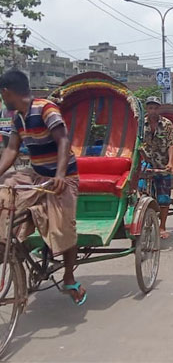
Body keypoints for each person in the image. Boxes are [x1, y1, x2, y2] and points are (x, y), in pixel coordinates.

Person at [0, 69, 85, 305]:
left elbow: (64, 142)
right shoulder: (18, 117)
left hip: (62, 178)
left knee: (62, 229)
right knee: (5, 193)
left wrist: (59, 175)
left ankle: (68, 276)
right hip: (36, 175)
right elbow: (11, 149)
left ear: (6, 92)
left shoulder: (46, 109)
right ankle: (10, 248)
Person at [141, 96, 173, 239]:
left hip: (162, 163)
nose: (153, 111)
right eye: (150, 108)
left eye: (155, 108)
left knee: (163, 197)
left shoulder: (167, 124)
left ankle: (162, 226)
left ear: (159, 109)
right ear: (147, 109)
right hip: (145, 162)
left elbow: (171, 143)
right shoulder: (140, 124)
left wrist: (171, 163)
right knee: (139, 191)